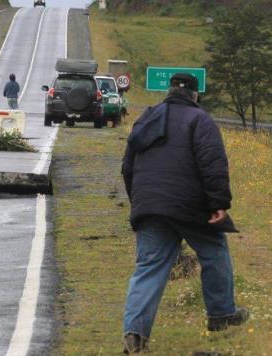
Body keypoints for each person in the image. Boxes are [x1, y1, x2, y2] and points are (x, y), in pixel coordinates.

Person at [121, 73, 248, 354]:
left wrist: (140, 203)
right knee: (214, 251)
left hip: (150, 205)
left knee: (149, 268)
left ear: (169, 91)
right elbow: (212, 163)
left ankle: (135, 333)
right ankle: (221, 315)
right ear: (194, 94)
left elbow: (128, 166)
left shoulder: (146, 118)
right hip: (188, 206)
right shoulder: (200, 119)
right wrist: (219, 203)